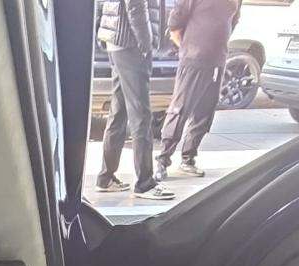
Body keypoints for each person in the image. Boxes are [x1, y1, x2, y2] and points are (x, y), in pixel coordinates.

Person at [95, 0, 175, 199]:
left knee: (119, 112)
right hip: (130, 42)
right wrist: (145, 43)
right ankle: (145, 184)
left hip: (117, 40)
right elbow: (135, 5)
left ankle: (105, 177)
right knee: (141, 115)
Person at [155, 0, 241, 182]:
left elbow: (233, 20)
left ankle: (188, 158)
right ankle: (162, 160)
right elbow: (176, 22)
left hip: (217, 60)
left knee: (205, 113)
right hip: (193, 58)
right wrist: (188, 47)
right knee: (180, 110)